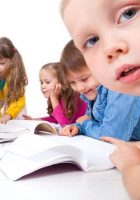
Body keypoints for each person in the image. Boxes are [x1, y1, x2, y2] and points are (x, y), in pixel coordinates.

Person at [60, 1, 140, 199]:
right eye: (92, 40)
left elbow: (111, 133)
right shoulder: (112, 85)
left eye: (129, 14)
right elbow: (93, 119)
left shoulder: (123, 87)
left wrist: (132, 166)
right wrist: (79, 127)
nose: (110, 48)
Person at [58, 40, 140, 142]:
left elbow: (111, 136)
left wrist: (84, 125)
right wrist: (77, 127)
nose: (79, 88)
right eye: (72, 83)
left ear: (102, 67)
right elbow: (92, 120)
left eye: (84, 79)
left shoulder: (121, 89)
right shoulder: (93, 91)